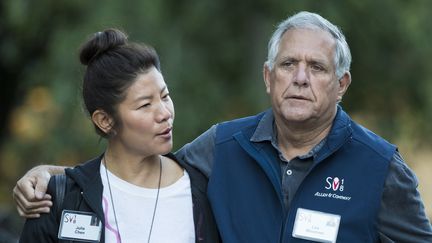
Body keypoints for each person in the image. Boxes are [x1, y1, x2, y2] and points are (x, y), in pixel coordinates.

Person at [14, 11, 432, 242]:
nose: (300, 78)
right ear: (268, 77)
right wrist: (51, 176)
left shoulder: (380, 168)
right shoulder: (224, 146)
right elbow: (134, 168)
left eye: (317, 68)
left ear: (342, 84)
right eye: (288, 65)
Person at [18, 28, 219, 243]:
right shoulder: (60, 198)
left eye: (165, 96)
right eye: (145, 105)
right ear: (105, 121)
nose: (165, 113)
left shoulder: (203, 189)